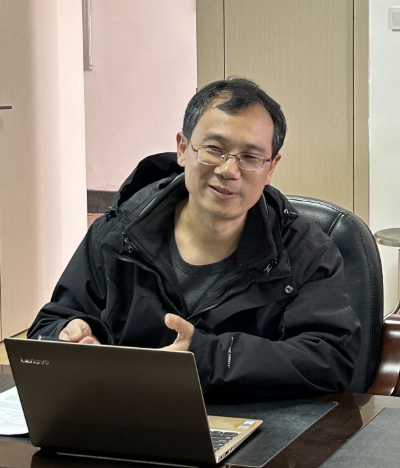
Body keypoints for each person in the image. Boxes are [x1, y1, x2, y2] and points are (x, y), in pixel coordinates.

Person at [28, 77, 361, 397]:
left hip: (253, 425)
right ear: (183, 149)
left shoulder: (305, 251)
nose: (228, 170)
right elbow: (49, 325)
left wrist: (209, 357)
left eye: (250, 157)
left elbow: (331, 358)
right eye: (214, 149)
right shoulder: (116, 234)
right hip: (127, 417)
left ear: (271, 167)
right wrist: (68, 335)